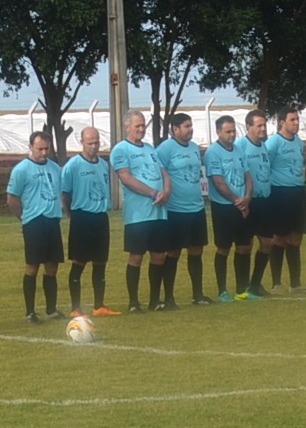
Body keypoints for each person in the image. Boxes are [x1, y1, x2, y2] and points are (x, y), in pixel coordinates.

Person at [6, 130, 65, 322]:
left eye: (47, 148)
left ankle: (51, 309)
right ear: (30, 147)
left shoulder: (55, 168)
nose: (44, 152)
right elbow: (12, 199)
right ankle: (30, 312)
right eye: (40, 148)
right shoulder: (21, 169)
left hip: (52, 221)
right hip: (34, 222)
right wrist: (24, 218)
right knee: (33, 266)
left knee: (52, 266)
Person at [112, 112, 167, 312]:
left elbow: (163, 173)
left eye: (143, 125)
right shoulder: (120, 150)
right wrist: (153, 193)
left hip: (158, 212)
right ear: (127, 127)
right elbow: (126, 178)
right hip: (137, 215)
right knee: (136, 256)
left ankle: (155, 300)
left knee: (159, 256)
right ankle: (133, 302)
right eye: (137, 126)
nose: (141, 129)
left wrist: (166, 191)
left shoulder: (151, 149)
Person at [60, 125, 115, 317]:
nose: (94, 146)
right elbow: (65, 194)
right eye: (90, 142)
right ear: (81, 142)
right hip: (81, 217)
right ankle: (76, 308)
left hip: (100, 217)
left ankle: (99, 306)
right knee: (79, 263)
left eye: (97, 142)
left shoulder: (103, 164)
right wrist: (71, 215)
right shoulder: (73, 165)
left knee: (100, 263)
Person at [156, 112, 208, 307]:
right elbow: (159, 173)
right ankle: (169, 297)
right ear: (175, 129)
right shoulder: (165, 149)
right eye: (187, 126)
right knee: (173, 253)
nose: (190, 129)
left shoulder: (195, 148)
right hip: (175, 210)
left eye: (191, 125)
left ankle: (198, 295)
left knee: (196, 251)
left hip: (196, 207)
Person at [204, 114, 254, 304]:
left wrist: (247, 198)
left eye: (233, 130)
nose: (232, 134)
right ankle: (222, 290)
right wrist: (236, 200)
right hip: (224, 207)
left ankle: (242, 290)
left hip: (243, 205)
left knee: (244, 247)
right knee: (224, 248)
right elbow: (218, 181)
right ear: (218, 132)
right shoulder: (213, 153)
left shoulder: (239, 150)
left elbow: (247, 174)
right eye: (228, 131)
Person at [266, 107, 306, 292]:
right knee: (280, 238)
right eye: (292, 120)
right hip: (280, 194)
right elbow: (264, 167)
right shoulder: (274, 143)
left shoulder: (299, 142)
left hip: (297, 193)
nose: (296, 123)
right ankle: (276, 283)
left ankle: (296, 283)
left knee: (296, 238)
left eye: (297, 119)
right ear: (282, 122)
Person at [235, 109, 276, 298]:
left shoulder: (264, 146)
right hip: (249, 201)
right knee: (245, 245)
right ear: (248, 127)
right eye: (259, 125)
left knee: (267, 242)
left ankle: (256, 283)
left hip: (265, 201)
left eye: (264, 124)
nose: (262, 128)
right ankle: (242, 287)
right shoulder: (240, 145)